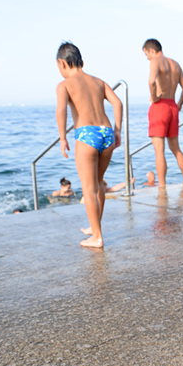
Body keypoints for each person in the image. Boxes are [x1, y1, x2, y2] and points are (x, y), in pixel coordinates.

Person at [55, 41, 123, 248]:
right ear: (81, 62)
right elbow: (117, 103)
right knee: (98, 183)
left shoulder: (64, 85)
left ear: (61, 63)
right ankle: (95, 228)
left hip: (87, 135)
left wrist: (63, 137)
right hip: (106, 133)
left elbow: (61, 110)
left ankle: (97, 237)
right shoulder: (99, 82)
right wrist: (117, 130)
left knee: (88, 189)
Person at [142, 38, 183, 186]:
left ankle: (162, 186)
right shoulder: (175, 64)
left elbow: (151, 81)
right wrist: (179, 105)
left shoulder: (155, 61)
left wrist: (154, 97)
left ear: (151, 50)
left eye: (146, 54)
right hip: (172, 106)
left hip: (160, 106)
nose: (147, 58)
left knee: (159, 151)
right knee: (175, 148)